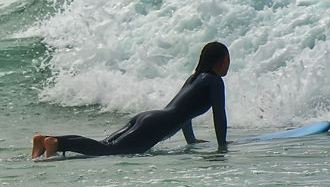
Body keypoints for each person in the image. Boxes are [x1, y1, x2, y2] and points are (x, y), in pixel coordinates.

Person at [32, 41, 230, 159]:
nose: (228, 65)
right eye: (227, 61)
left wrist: (192, 140)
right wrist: (222, 146)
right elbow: (218, 115)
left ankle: (46, 140)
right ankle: (56, 143)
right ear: (220, 62)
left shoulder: (195, 78)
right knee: (108, 151)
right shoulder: (214, 81)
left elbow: (185, 112)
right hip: (155, 125)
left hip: (149, 118)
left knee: (105, 146)